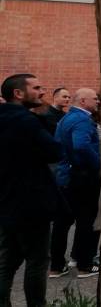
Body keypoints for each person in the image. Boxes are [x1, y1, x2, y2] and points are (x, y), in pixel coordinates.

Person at [0, 74, 62, 307]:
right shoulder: (25, 121)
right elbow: (54, 151)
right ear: (18, 93)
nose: (42, 92)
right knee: (37, 261)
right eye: (36, 88)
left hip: (6, 200)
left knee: (8, 260)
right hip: (31, 202)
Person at [50, 88, 101, 279]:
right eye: (94, 99)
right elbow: (81, 145)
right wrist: (98, 164)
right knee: (86, 220)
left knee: (62, 223)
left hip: (66, 175)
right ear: (82, 101)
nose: (97, 101)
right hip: (81, 177)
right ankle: (85, 265)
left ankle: (56, 265)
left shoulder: (65, 118)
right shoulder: (82, 120)